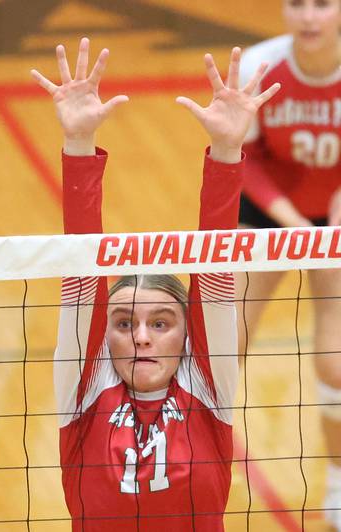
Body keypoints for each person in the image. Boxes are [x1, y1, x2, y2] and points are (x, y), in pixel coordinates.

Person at [31, 38, 280, 530]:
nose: (142, 336)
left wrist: (228, 150)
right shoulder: (85, 393)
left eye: (161, 322)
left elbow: (214, 267)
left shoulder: (207, 387)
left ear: (188, 334)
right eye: (124, 323)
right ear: (104, 336)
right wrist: (77, 144)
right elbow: (83, 268)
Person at [235, 1, 341, 526]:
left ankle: (340, 485)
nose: (309, 16)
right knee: (221, 341)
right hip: (269, 207)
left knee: (337, 358)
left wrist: (329, 231)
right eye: (297, 2)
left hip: (337, 209)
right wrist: (296, 228)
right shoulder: (258, 66)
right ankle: (188, 469)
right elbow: (245, 159)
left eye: (322, 2)